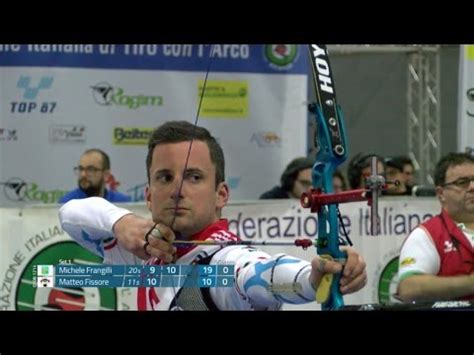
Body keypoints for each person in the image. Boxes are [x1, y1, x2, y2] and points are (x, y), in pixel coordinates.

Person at [59, 121, 367, 310]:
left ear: (221, 195)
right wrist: (121, 222)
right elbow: (70, 215)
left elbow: (263, 275)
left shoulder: (226, 263)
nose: (177, 190)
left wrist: (312, 278)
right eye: (165, 177)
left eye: (194, 177)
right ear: (149, 196)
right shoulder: (143, 253)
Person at [397, 152, 474, 303]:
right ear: (441, 193)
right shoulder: (427, 234)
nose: (472, 187)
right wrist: (470, 283)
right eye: (462, 182)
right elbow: (408, 288)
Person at [59, 148, 131, 203]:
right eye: (81, 169)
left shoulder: (122, 204)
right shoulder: (67, 203)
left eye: (90, 169)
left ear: (106, 175)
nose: (83, 174)